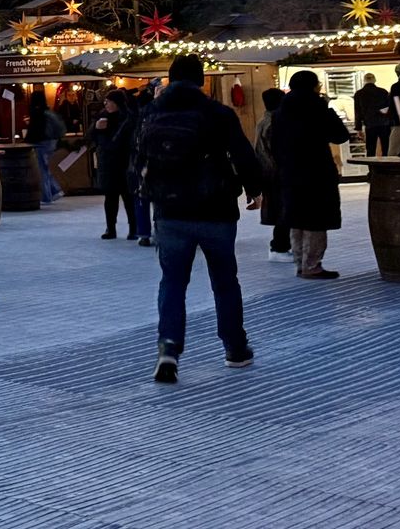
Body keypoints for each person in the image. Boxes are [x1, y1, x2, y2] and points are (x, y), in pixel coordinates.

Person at [133, 55, 264, 383]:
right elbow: (243, 152)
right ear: (201, 80)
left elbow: (134, 154)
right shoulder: (218, 113)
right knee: (225, 280)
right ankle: (235, 348)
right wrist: (254, 190)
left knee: (173, 282)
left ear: (170, 79)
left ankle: (169, 348)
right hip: (215, 208)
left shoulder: (151, 112)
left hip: (169, 210)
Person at [270, 70, 351, 280]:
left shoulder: (280, 112)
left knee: (297, 219)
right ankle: (312, 264)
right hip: (317, 172)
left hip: (290, 173)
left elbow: (274, 144)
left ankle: (300, 262)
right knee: (316, 219)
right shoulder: (317, 107)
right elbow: (340, 135)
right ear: (313, 86)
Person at [91, 89, 139, 239]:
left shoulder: (128, 118)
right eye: (106, 101)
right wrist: (96, 129)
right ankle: (110, 228)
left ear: (118, 103)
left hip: (124, 162)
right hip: (108, 163)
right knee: (110, 198)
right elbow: (92, 137)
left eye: (110, 101)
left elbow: (130, 139)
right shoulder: (102, 116)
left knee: (128, 198)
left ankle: (133, 228)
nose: (107, 104)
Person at [254, 89, 293, 262]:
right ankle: (279, 247)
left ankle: (281, 245)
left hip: (268, 173)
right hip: (278, 173)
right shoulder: (275, 123)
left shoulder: (264, 121)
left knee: (281, 210)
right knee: (283, 210)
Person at [25, 89, 66, 205]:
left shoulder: (37, 112)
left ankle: (47, 196)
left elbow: (34, 131)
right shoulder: (48, 112)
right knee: (46, 168)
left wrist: (26, 141)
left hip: (41, 143)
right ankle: (55, 191)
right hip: (50, 143)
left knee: (42, 170)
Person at [353, 73, 394, 158]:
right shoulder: (383, 92)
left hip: (370, 124)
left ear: (364, 81)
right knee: (386, 148)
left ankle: (371, 169)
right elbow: (389, 108)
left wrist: (358, 128)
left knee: (371, 149)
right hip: (384, 124)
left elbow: (358, 112)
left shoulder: (359, 93)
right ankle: (386, 168)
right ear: (374, 80)